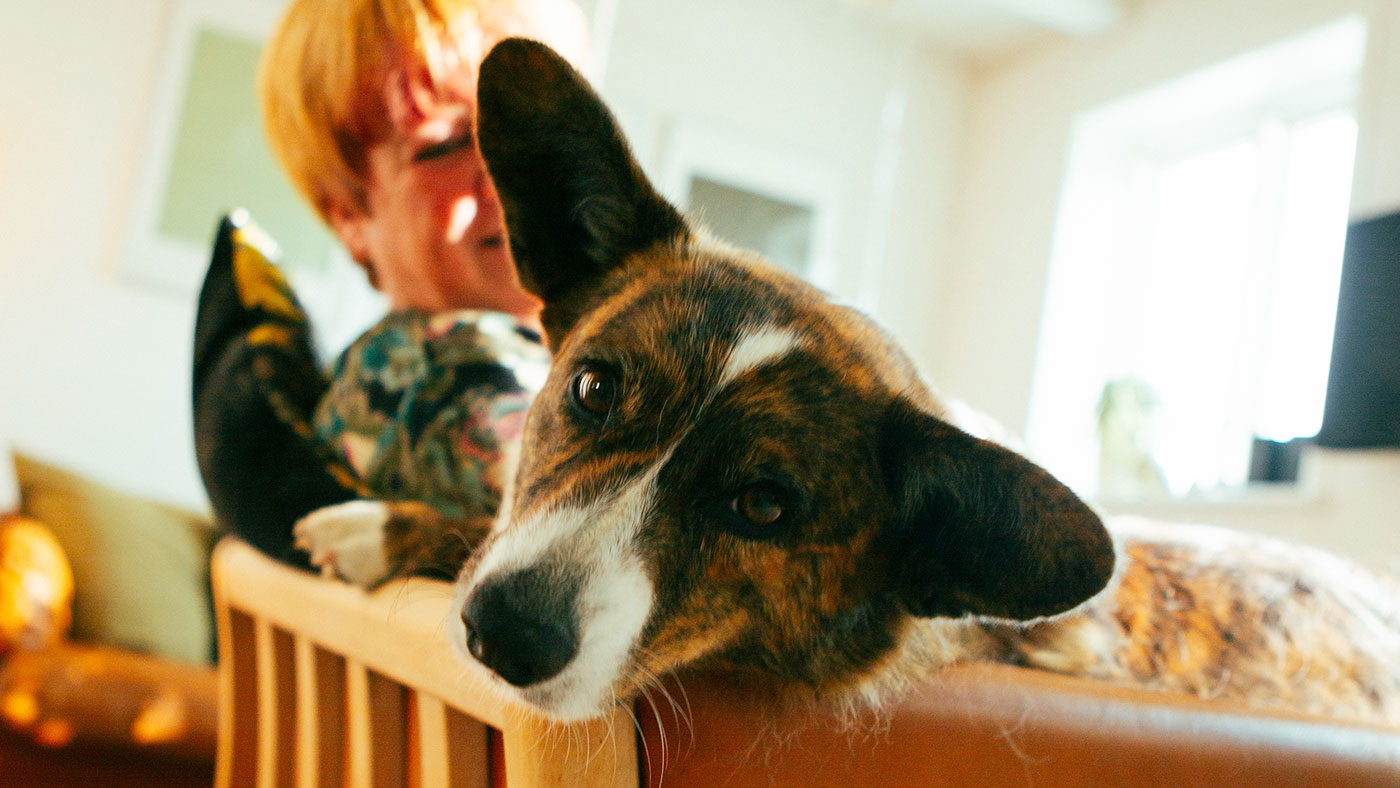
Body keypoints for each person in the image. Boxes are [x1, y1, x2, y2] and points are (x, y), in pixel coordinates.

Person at [256, 0, 587, 532]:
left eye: (530, 127)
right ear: (349, 217)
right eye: (448, 147)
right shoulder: (436, 378)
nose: (511, 173)